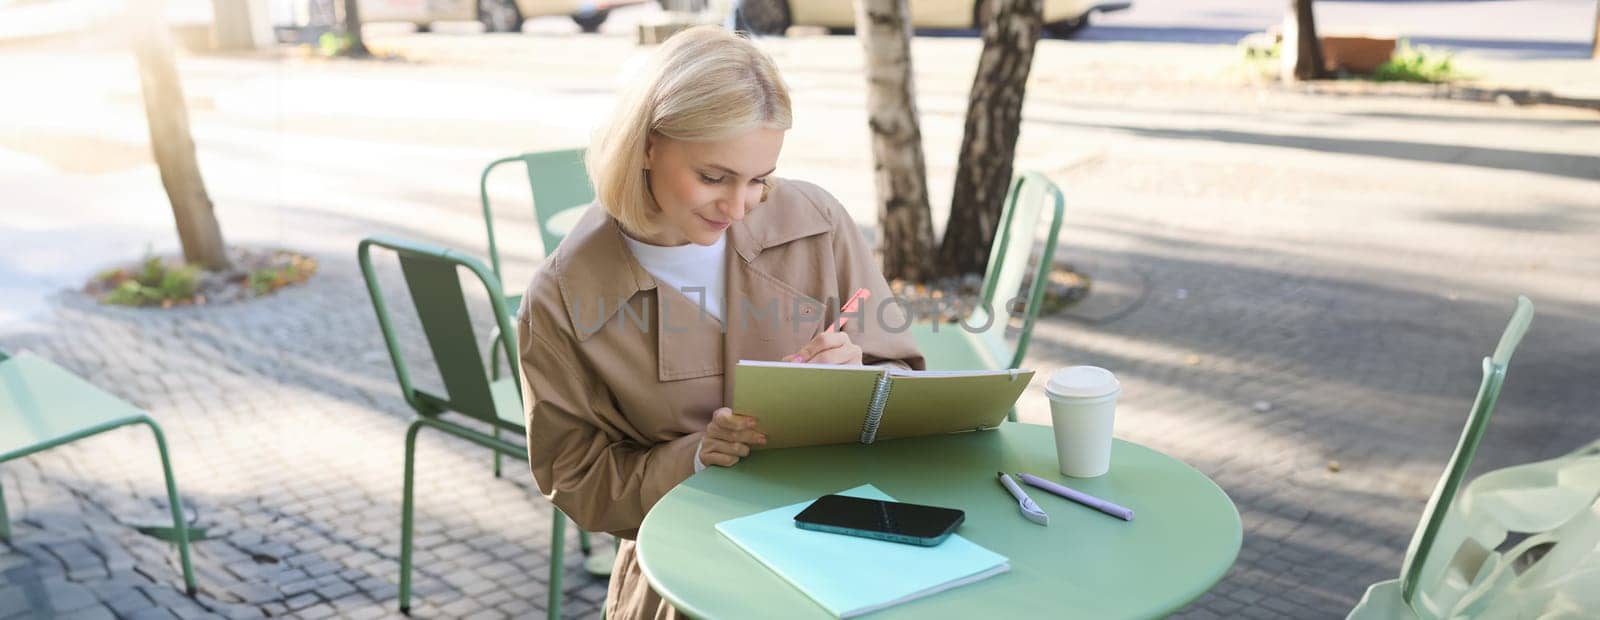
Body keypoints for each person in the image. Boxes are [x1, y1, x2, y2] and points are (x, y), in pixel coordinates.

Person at [516, 25, 924, 619]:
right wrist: (697, 457)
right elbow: (575, 477)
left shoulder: (817, 220)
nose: (737, 208)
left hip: (847, 554)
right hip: (685, 582)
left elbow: (904, 375)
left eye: (759, 179)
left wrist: (860, 373)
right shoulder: (560, 298)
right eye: (713, 177)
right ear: (647, 146)